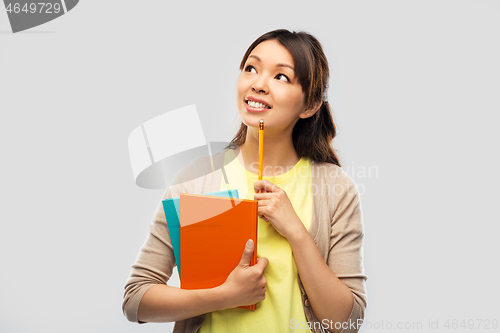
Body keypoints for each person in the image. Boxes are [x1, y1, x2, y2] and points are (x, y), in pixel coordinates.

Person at [122, 29, 367, 333]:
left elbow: (347, 322)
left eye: (281, 77)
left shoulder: (335, 188)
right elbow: (136, 299)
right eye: (251, 68)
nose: (258, 84)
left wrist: (296, 232)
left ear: (310, 105)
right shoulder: (197, 179)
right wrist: (224, 296)